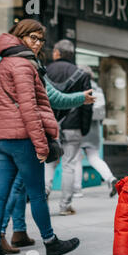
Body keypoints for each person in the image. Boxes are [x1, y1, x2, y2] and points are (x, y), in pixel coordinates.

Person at [0, 32, 95, 255]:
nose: (39, 43)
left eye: (41, 39)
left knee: (0, 194)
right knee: (37, 194)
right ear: (20, 40)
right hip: (21, 138)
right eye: (34, 38)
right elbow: (30, 108)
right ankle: (51, 243)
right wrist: (42, 146)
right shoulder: (23, 65)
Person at [45, 39, 93, 216]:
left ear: (56, 53)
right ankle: (65, 206)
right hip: (73, 127)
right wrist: (84, 128)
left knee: (49, 162)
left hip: (49, 125)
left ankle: (44, 194)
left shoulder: (44, 71)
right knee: (69, 165)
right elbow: (88, 106)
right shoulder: (81, 74)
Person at [72, 65, 118, 199]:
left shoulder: (79, 86)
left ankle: (77, 190)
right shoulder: (98, 88)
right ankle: (110, 178)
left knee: (76, 159)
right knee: (94, 157)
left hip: (81, 127)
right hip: (95, 128)